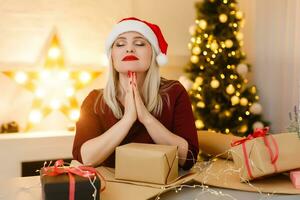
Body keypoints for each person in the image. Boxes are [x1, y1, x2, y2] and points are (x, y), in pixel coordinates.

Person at [72, 17, 199, 170]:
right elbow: (85, 158)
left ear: (153, 53)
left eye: (139, 43)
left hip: (164, 189)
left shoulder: (174, 92)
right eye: (120, 44)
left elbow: (188, 157)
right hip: (111, 190)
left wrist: (146, 118)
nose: (129, 49)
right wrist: (127, 120)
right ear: (112, 56)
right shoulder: (95, 100)